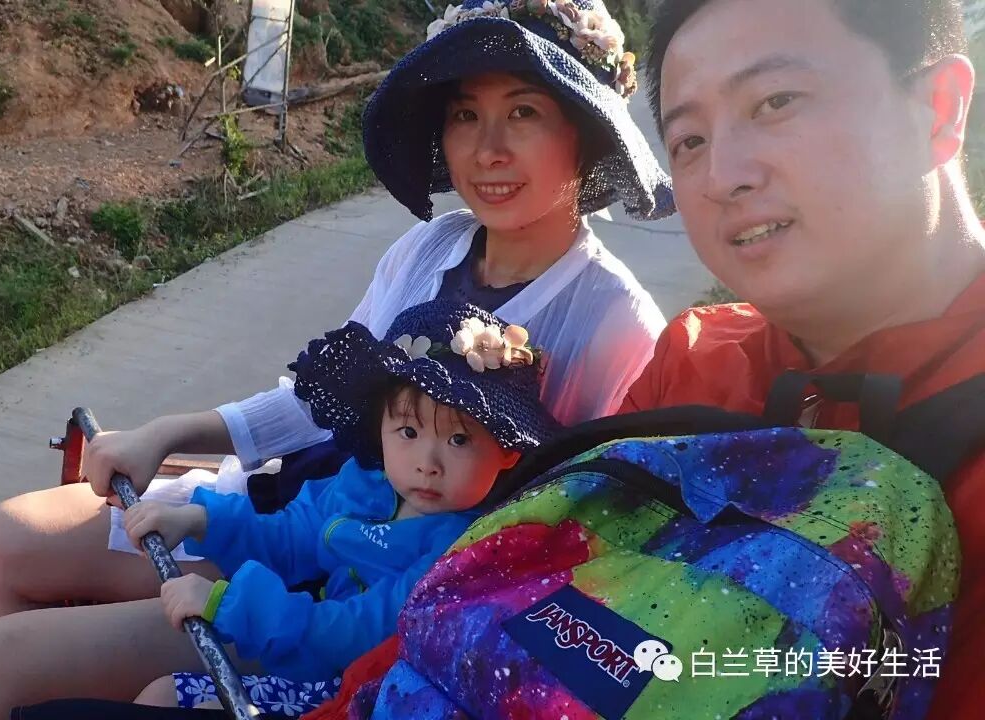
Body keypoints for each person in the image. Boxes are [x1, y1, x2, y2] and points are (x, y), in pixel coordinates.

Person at [0, 0, 673, 714]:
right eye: (464, 114)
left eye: (524, 112)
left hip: (354, 606)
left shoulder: (614, 322)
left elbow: (557, 540)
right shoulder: (431, 246)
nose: (488, 150)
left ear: (586, 131)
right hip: (301, 513)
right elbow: (321, 402)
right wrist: (168, 434)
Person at [292, 0, 985, 717]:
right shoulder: (692, 364)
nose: (722, 175)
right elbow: (497, 589)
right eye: (689, 139)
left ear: (938, 109)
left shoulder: (623, 329)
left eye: (776, 101)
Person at [126, 300, 557, 713]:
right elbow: (294, 533)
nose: (427, 463)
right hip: (308, 642)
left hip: (366, 693)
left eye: (458, 440)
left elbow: (362, 630)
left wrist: (234, 606)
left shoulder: (464, 549)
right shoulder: (366, 481)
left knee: (165, 697)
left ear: (508, 451)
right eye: (408, 432)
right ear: (380, 426)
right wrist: (202, 520)